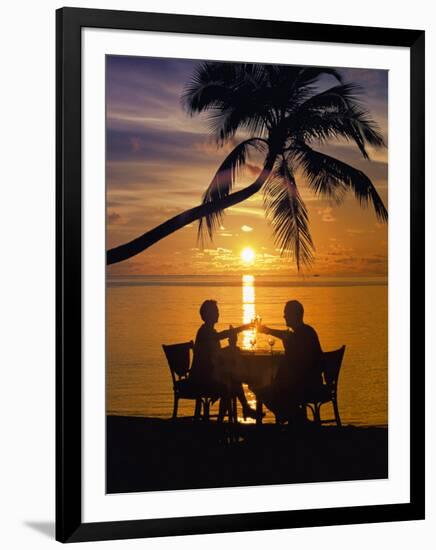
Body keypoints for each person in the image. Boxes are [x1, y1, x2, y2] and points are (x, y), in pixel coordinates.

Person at [189, 300, 259, 420]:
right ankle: (226, 419)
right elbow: (219, 338)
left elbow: (217, 355)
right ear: (207, 315)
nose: (217, 314)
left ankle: (241, 410)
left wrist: (232, 345)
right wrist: (242, 328)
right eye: (215, 311)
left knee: (233, 379)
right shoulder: (204, 332)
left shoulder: (209, 332)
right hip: (201, 379)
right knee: (228, 385)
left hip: (208, 374)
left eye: (217, 311)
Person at [256, 300, 323, 423]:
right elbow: (286, 336)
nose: (284, 316)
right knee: (277, 385)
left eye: (286, 313)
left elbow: (295, 361)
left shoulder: (299, 335)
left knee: (263, 392)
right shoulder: (308, 331)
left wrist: (267, 331)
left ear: (294, 315)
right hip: (314, 382)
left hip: (305, 386)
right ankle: (296, 418)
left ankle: (295, 417)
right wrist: (268, 331)